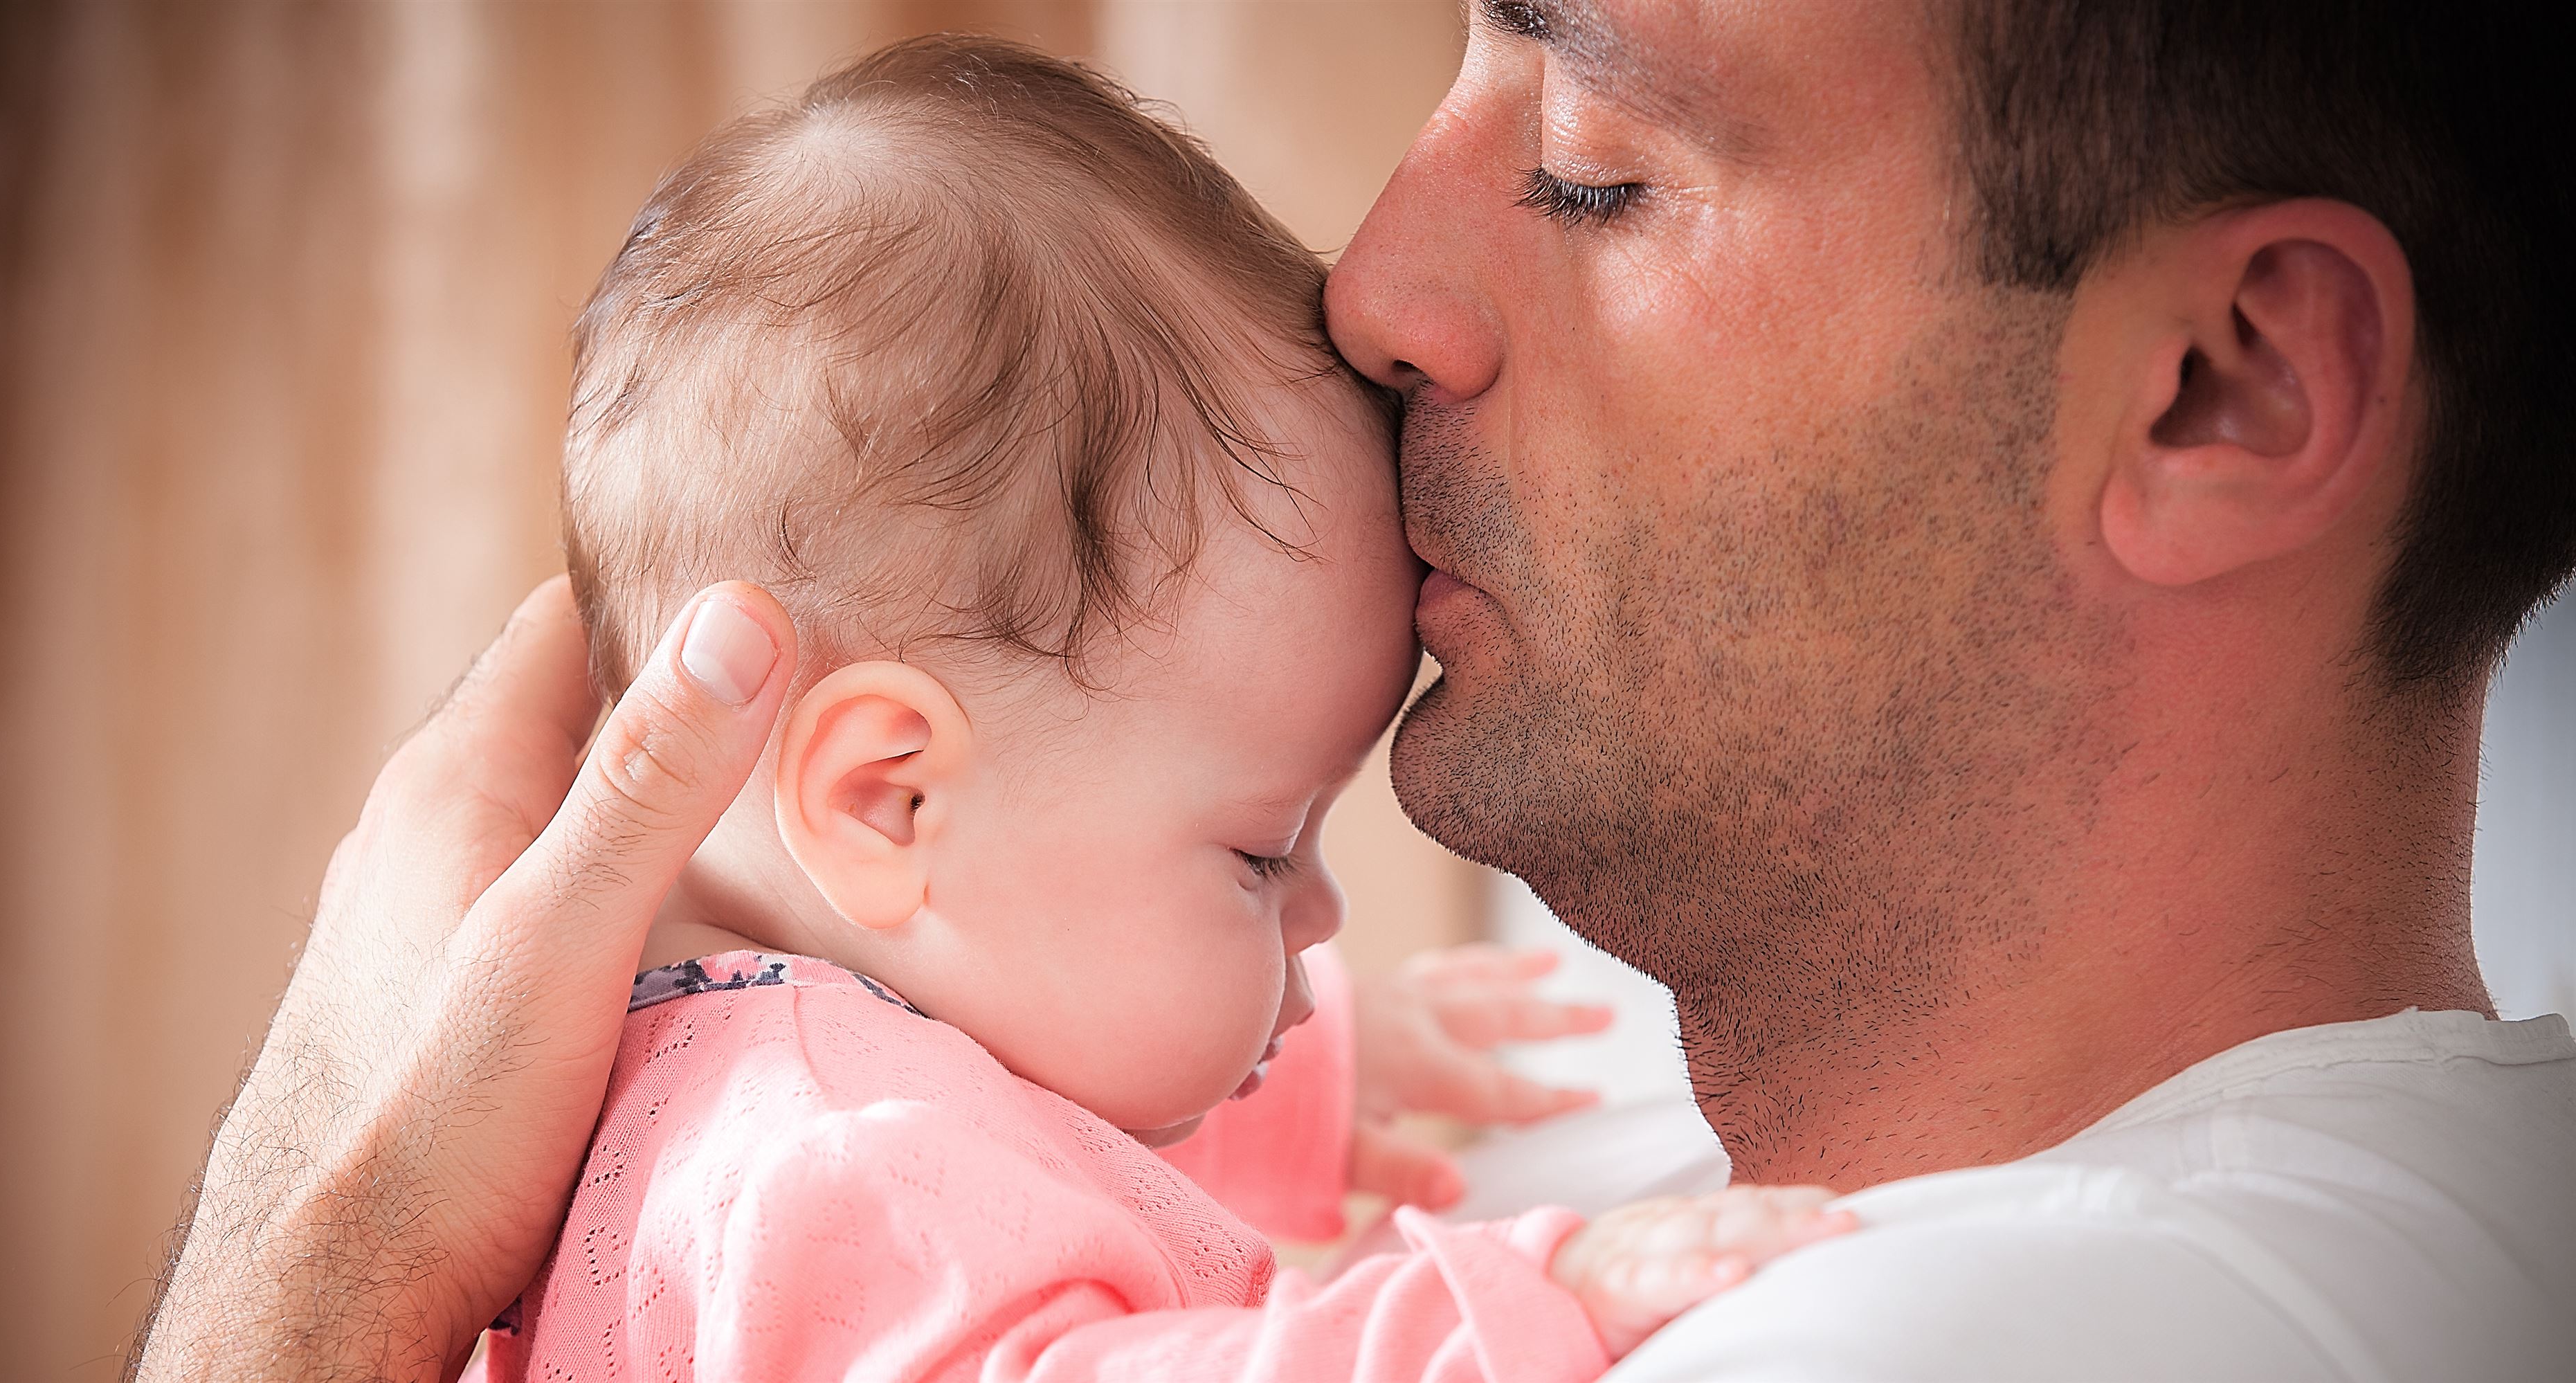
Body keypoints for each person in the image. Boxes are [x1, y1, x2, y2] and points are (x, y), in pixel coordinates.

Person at [131, 1, 2576, 1380]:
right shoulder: (1575, 1145)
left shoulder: (2028, 1331)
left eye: (1603, 160)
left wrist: (309, 1281)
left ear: (2219, 390)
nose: (1379, 282)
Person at [467, 38, 1849, 1382]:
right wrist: (1498, 1317)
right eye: (1257, 854)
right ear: (888, 796)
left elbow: (1009, 1150)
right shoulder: (832, 1154)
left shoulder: (718, 1098)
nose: (1320, 919)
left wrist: (1309, 1098)